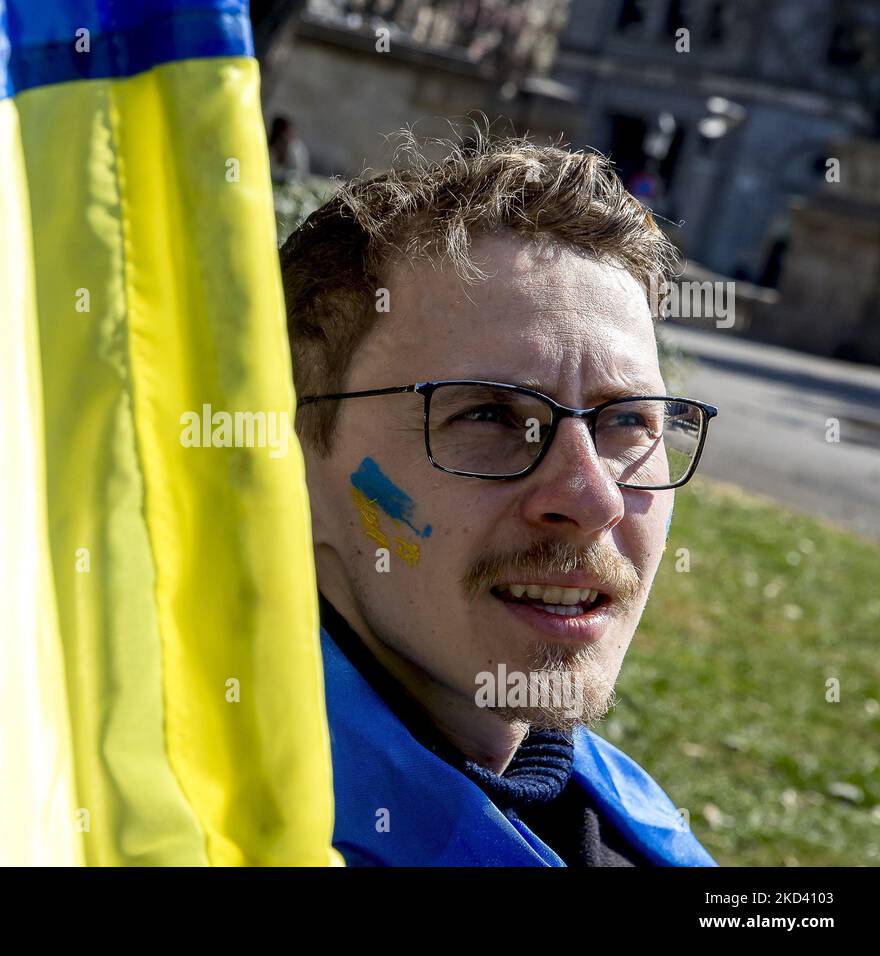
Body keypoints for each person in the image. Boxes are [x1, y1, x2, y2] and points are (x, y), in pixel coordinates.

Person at [279, 131, 720, 866]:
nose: (592, 498)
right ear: (289, 456)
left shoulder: (624, 824)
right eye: (488, 415)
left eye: (625, 421)